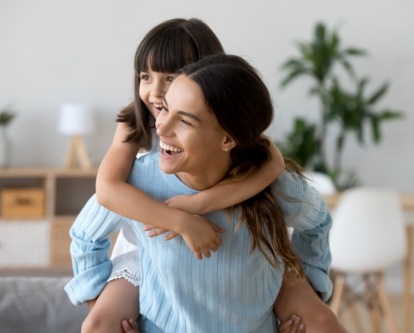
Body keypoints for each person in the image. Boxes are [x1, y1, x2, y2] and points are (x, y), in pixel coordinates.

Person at [65, 53, 348, 332]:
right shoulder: (138, 183)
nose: (160, 127)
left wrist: (311, 287)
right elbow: (84, 238)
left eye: (185, 121)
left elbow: (318, 223)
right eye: (164, 109)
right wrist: (96, 302)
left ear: (227, 139)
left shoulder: (272, 186)